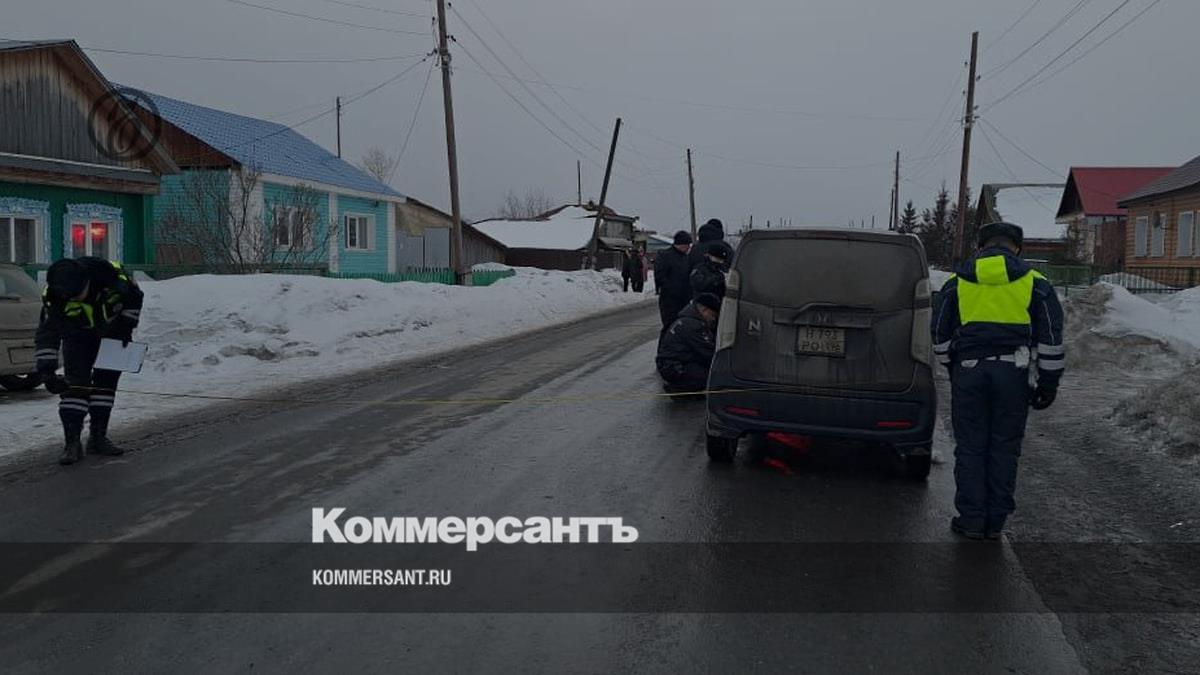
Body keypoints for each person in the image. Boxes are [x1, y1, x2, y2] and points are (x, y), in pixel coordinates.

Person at [932, 222, 1065, 540]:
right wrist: (1048, 384)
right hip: (1013, 372)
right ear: (1017, 247)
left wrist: (954, 367)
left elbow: (939, 332)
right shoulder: (1036, 283)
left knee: (970, 446)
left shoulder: (957, 282)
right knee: (1004, 447)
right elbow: (1050, 338)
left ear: (981, 246)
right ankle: (995, 522)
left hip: (969, 370)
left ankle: (972, 519)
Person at [36, 257, 144, 465]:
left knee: (105, 386)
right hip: (77, 337)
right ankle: (72, 443)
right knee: (75, 388)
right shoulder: (54, 297)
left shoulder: (115, 281)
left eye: (78, 295)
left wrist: (126, 325)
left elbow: (135, 299)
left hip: (114, 334)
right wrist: (47, 371)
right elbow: (47, 334)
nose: (75, 299)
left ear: (86, 281)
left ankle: (98, 438)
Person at [656, 292, 721, 393]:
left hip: (671, 365)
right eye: (712, 315)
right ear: (704, 310)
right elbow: (708, 353)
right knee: (714, 377)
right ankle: (679, 387)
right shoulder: (693, 325)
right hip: (675, 368)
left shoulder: (687, 319)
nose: (713, 319)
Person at [653, 231, 693, 332]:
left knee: (682, 329)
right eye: (688, 245)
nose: (689, 248)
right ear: (681, 244)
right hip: (670, 302)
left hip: (685, 301)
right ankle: (665, 347)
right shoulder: (665, 256)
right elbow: (660, 277)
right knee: (670, 328)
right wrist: (672, 290)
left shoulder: (686, 258)